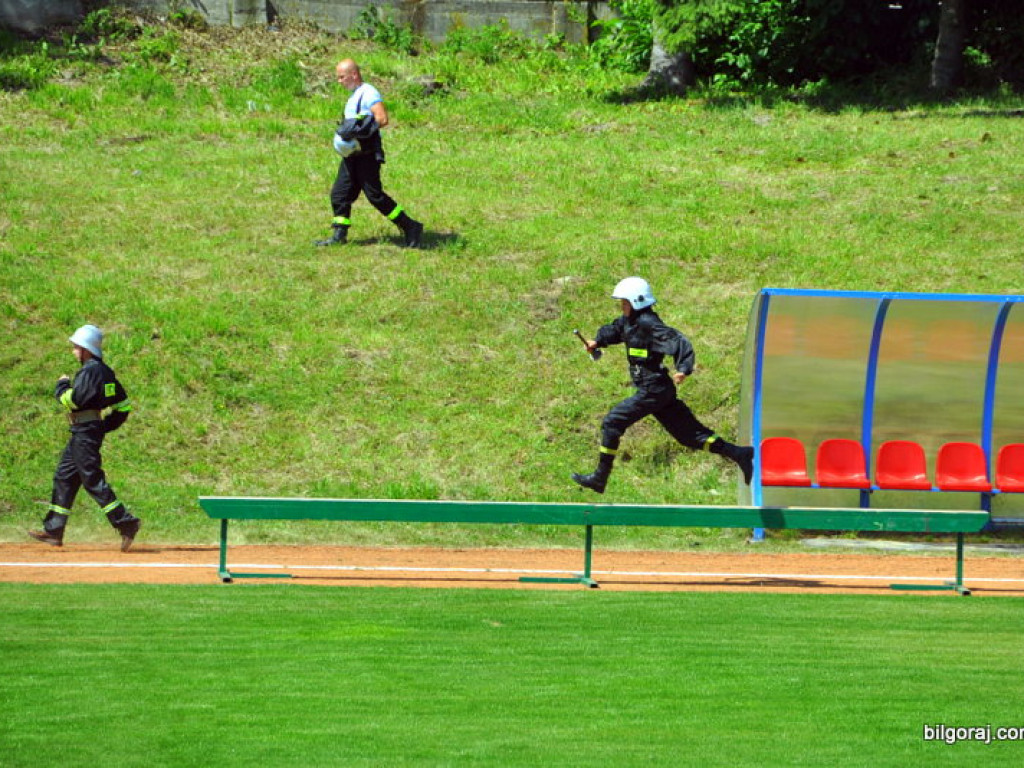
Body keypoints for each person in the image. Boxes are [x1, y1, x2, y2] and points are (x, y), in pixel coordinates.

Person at [572, 277, 754, 493]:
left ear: (637, 301)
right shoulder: (628, 322)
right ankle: (739, 454)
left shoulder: (649, 324)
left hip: (654, 388)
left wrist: (683, 368)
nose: (622, 307)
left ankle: (600, 478)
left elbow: (678, 341)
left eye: (624, 303)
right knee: (689, 436)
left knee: (612, 422)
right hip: (658, 391)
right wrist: (597, 341)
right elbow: (615, 330)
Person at [28, 325, 141, 551]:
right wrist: (104, 426)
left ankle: (126, 523)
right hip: (86, 432)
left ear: (86, 349)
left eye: (76, 347)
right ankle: (54, 529)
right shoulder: (105, 372)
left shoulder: (89, 372)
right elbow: (123, 406)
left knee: (91, 479)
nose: (73, 351)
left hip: (84, 432)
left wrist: (61, 386)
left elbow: (74, 401)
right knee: (64, 477)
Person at [315, 58, 424, 249]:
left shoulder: (368, 93)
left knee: (375, 196)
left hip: (367, 155)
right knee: (339, 194)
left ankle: (410, 226)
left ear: (354, 75)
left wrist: (358, 132)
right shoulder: (354, 95)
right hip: (352, 155)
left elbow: (382, 119)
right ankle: (339, 235)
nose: (339, 81)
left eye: (342, 77)